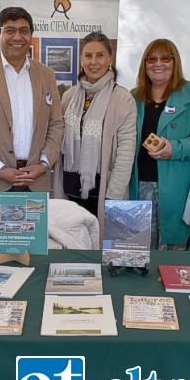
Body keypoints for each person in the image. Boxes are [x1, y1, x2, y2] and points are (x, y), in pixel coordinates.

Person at [0, 6, 64, 192]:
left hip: (36, 181)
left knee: (36, 224)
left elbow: (56, 124)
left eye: (24, 31)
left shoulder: (46, 75)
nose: (17, 37)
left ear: (31, 35)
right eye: (9, 30)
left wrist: (43, 165)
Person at [129, 39, 190, 250]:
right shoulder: (133, 96)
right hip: (138, 186)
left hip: (178, 186)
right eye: (152, 59)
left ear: (174, 62)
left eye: (165, 58)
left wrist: (174, 149)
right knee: (138, 250)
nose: (158, 63)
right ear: (145, 64)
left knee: (174, 253)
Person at [53, 31, 137, 237]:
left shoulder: (122, 99)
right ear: (81, 59)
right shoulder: (70, 96)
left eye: (100, 55)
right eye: (88, 56)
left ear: (110, 58)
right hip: (69, 189)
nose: (93, 62)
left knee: (100, 247)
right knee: (70, 245)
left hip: (103, 192)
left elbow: (126, 151)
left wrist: (114, 196)